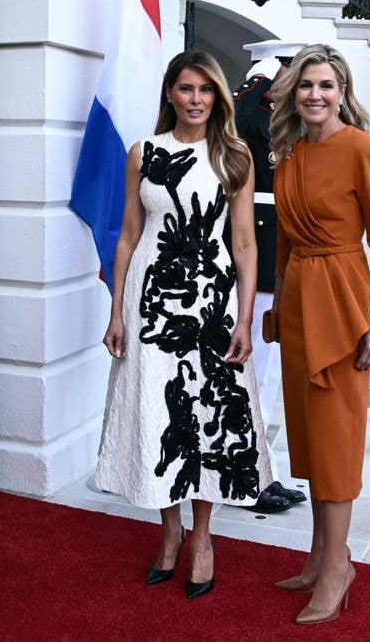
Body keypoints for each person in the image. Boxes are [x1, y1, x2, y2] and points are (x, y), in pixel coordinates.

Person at [94, 50, 275, 599]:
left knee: (207, 417)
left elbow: (244, 244)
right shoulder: (142, 153)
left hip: (212, 305)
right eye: (186, 88)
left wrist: (245, 317)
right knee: (158, 410)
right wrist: (116, 309)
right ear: (170, 93)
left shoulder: (236, 156)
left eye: (206, 90)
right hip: (150, 302)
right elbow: (126, 234)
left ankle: (203, 538)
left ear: (218, 97)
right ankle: (168, 530)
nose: (196, 99)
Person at [267, 44, 370, 624]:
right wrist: (274, 307)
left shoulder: (361, 149)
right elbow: (286, 243)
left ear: (342, 90)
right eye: (305, 85)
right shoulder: (288, 155)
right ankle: (319, 555)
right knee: (311, 435)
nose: (314, 95)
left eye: (325, 84)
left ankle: (339, 564)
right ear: (293, 93)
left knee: (337, 439)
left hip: (345, 300)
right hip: (298, 298)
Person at [233, 39, 309, 515]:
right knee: (256, 372)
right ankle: (250, 477)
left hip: (271, 242)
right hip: (261, 246)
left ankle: (261, 470)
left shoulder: (253, 101)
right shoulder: (255, 107)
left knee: (264, 371)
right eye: (296, 73)